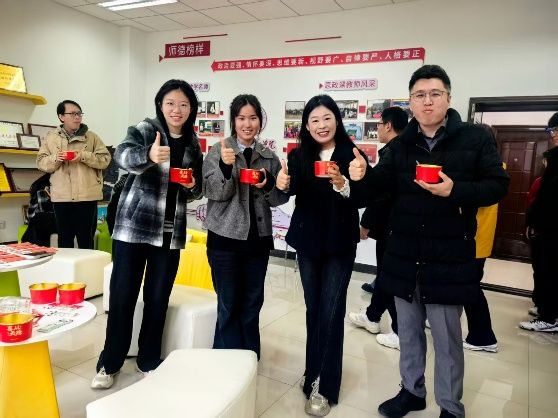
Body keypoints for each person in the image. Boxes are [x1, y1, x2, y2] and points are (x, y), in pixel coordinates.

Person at [348, 65, 509, 418]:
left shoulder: (474, 138)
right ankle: (412, 391)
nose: (427, 101)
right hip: (404, 254)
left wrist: (455, 190)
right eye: (419, 95)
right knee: (408, 332)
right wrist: (358, 177)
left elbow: (498, 186)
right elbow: (376, 189)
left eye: (435, 94)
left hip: (449, 256)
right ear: (411, 102)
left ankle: (450, 406)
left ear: (448, 98)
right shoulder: (401, 145)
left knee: (447, 338)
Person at [92, 79, 203, 389]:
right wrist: (149, 155)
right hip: (134, 228)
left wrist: (193, 184)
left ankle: (149, 359)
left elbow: (196, 190)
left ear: (191, 109)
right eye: (171, 103)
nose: (177, 110)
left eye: (183, 104)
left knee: (158, 298)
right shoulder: (145, 129)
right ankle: (109, 362)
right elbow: (121, 157)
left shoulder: (193, 143)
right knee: (123, 296)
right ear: (160, 105)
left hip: (169, 232)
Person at [276, 95, 365, 417]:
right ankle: (313, 371)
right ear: (306, 125)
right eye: (314, 120)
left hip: (340, 244)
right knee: (314, 310)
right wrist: (282, 183)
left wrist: (346, 183)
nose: (321, 125)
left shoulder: (352, 155)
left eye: (327, 118)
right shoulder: (299, 154)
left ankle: (324, 387)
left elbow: (365, 195)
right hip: (308, 243)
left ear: (337, 120)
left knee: (331, 312)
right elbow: (290, 190)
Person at [202, 94, 288, 360]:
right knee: (228, 303)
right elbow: (213, 191)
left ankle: (249, 357)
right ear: (234, 121)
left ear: (260, 121)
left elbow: (279, 199)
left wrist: (270, 184)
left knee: (252, 303)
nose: (247, 124)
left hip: (257, 241)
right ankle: (226, 361)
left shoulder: (269, 157)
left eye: (252, 118)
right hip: (224, 239)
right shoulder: (218, 151)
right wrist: (226, 167)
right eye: (241, 118)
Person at [348, 107, 409, 351]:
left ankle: (400, 331)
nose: (378, 129)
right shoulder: (403, 149)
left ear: (388, 126)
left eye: (379, 125)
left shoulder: (394, 152)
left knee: (388, 275)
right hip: (394, 225)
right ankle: (373, 316)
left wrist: (365, 223)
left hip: (392, 226)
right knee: (385, 274)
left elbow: (380, 194)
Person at [37, 100, 111, 249]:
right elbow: (41, 162)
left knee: (86, 240)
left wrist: (83, 156)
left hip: (87, 196)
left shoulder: (92, 137)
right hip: (61, 197)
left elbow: (105, 160)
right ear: (61, 117)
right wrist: (56, 158)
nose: (77, 117)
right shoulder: (51, 138)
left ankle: (87, 265)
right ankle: (66, 265)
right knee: (64, 240)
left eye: (79, 114)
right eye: (72, 114)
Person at [462, 125, 501, 353]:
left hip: (474, 238)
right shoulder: (493, 167)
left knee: (470, 288)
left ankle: (483, 336)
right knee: (468, 285)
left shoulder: (484, 170)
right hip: (479, 238)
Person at [519, 112, 558, 332]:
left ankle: (549, 317)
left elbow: (550, 199)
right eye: (551, 131)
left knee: (549, 272)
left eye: (555, 130)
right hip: (546, 228)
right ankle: (547, 309)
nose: (553, 135)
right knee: (544, 271)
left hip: (552, 230)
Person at [21, 173, 57, 246]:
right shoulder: (49, 187)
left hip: (35, 223)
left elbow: (30, 216)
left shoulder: (39, 183)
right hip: (45, 222)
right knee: (42, 218)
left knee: (39, 219)